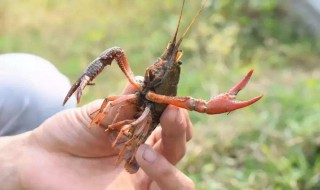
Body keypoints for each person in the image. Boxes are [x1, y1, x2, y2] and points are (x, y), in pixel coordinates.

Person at [0, 53, 195, 189]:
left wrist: (24, 156)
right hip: (137, 120)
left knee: (42, 92)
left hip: (145, 122)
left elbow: (200, 106)